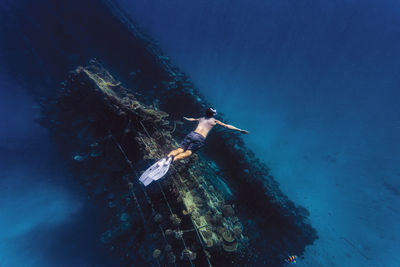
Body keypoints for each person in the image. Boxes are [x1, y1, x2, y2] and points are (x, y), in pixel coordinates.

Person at [167, 107, 249, 162]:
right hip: (199, 138)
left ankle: (168, 157)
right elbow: (227, 126)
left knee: (180, 149)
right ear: (213, 114)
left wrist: (187, 118)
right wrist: (239, 129)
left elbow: (192, 119)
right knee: (188, 152)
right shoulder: (215, 121)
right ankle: (173, 160)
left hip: (192, 134)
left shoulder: (202, 118)